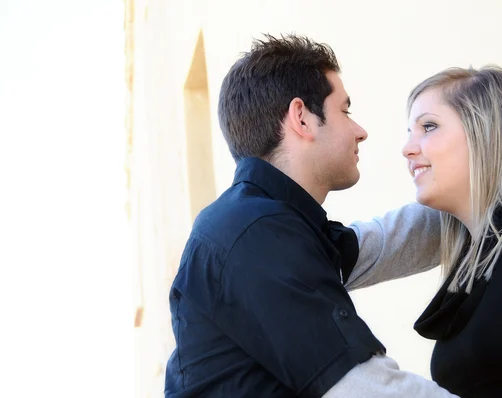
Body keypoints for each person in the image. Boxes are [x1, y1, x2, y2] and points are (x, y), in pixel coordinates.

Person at [164, 34, 456, 397]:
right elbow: (365, 388)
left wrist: (477, 191)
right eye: (345, 111)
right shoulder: (253, 235)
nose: (360, 131)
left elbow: (384, 244)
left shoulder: (270, 223)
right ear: (301, 117)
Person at [352, 65, 502, 397]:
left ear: (487, 131)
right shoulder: (470, 269)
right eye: (410, 132)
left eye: (428, 126)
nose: (408, 148)